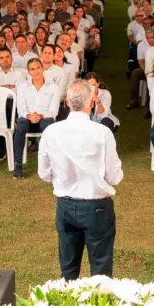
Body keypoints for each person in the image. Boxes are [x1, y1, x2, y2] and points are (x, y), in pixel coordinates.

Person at [38, 80, 123, 280]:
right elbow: (114, 176)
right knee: (101, 274)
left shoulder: (51, 132)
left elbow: (44, 173)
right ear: (91, 102)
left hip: (65, 205)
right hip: (97, 208)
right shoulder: (102, 132)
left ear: (67, 102)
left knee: (68, 272)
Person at [12, 58, 59, 179]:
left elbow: (54, 110)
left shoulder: (53, 87)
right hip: (28, 118)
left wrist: (41, 115)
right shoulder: (22, 87)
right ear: (29, 72)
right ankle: (18, 165)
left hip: (45, 118)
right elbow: (21, 109)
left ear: (42, 68)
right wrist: (29, 116)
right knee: (20, 126)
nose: (36, 71)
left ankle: (50, 165)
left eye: (38, 68)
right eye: (32, 69)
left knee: (48, 127)